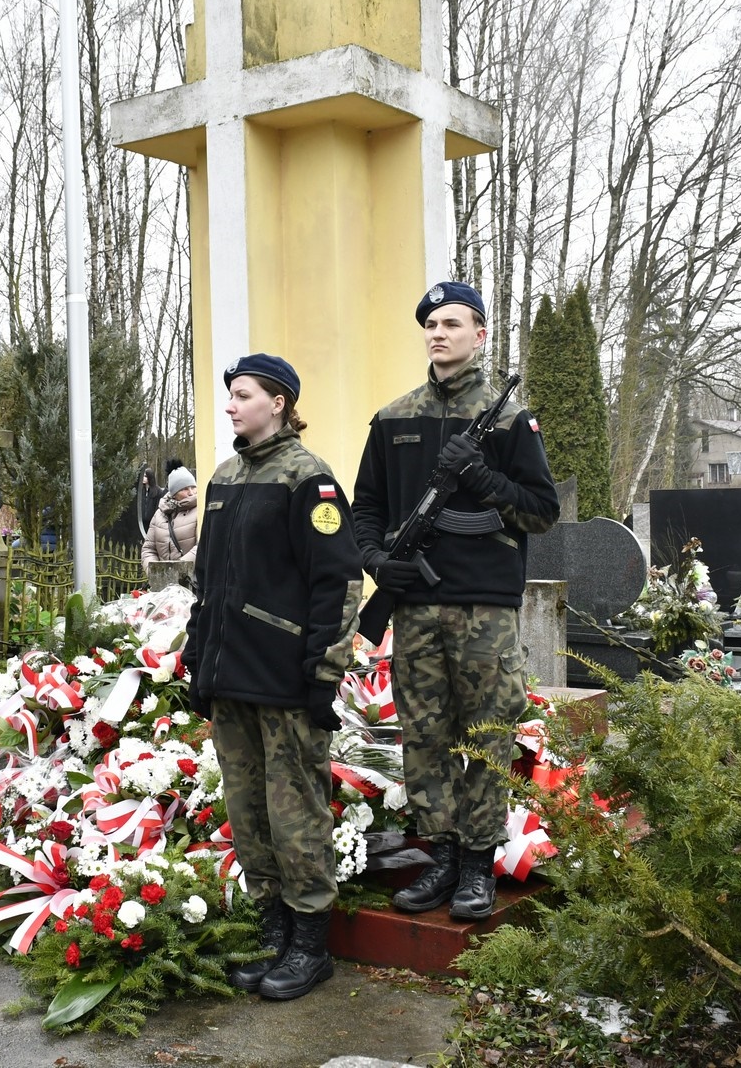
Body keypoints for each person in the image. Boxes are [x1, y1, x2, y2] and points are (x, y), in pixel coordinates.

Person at [351, 281, 559, 922]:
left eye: (453, 323)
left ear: (480, 334)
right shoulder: (393, 418)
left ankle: (477, 863)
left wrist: (483, 477)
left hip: (485, 607)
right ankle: (439, 855)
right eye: (431, 324)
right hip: (414, 605)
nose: (438, 333)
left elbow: (541, 512)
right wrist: (377, 561)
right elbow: (366, 509)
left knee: (487, 734)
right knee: (424, 734)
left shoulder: (507, 420)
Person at [182, 353, 363, 1001]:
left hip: (286, 680)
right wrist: (196, 660)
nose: (230, 405)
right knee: (249, 812)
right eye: (230, 395)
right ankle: (272, 932)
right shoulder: (226, 478)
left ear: (278, 402)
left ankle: (311, 946)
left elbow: (338, 584)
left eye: (242, 394)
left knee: (296, 815)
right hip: (231, 680)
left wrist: (323, 675)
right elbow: (209, 584)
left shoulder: (307, 479)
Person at [140, 466, 199, 568]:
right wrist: (153, 571)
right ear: (174, 493)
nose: (191, 492)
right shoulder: (159, 514)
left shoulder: (201, 510)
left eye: (193, 487)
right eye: (184, 489)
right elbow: (148, 549)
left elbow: (202, 546)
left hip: (192, 581)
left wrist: (176, 570)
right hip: (163, 582)